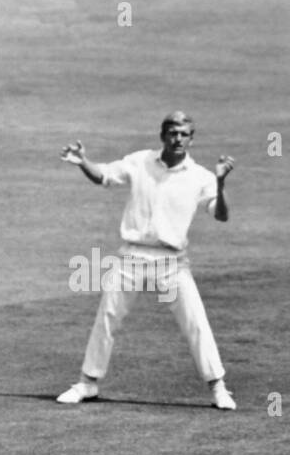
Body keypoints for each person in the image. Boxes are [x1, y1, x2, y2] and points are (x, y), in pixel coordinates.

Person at [56, 111, 237, 410]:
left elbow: (221, 215)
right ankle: (87, 383)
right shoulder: (140, 162)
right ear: (163, 135)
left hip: (172, 262)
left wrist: (220, 182)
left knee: (195, 322)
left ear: (192, 138)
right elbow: (104, 176)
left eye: (184, 134)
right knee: (108, 317)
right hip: (132, 256)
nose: (178, 138)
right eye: (173, 133)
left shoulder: (202, 177)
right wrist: (82, 162)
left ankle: (218, 388)